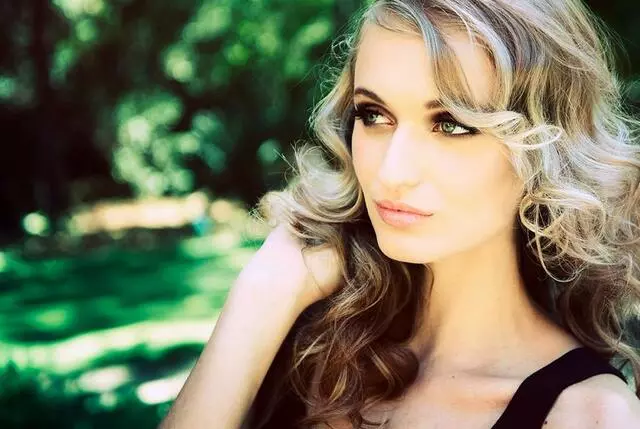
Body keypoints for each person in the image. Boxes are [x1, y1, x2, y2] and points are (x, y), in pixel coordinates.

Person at [159, 0, 640, 428]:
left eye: (451, 124)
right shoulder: (313, 348)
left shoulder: (590, 415)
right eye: (374, 115)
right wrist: (263, 292)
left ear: (549, 150)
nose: (392, 171)